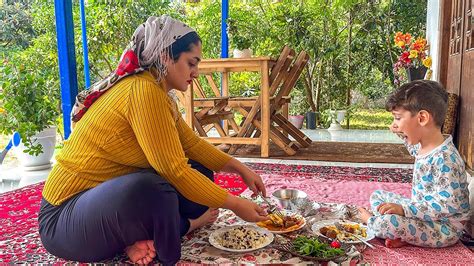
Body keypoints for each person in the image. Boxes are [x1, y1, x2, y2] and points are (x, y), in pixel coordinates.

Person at [38, 15, 268, 265]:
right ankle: (171, 251)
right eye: (192, 63)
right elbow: (174, 171)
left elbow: (191, 145)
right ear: (166, 57)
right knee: (156, 189)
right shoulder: (143, 91)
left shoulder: (158, 92)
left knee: (199, 171)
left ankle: (135, 241)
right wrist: (235, 203)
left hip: (101, 204)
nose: (196, 73)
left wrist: (239, 168)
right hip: (63, 219)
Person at [358, 80, 470, 248]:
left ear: (422, 118)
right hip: (420, 213)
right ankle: (405, 235)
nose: (392, 125)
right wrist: (399, 127)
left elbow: (448, 206)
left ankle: (375, 223)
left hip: (444, 227)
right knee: (378, 196)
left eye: (397, 118)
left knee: (388, 223)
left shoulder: (446, 158)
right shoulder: (421, 145)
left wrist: (404, 210)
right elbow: (407, 140)